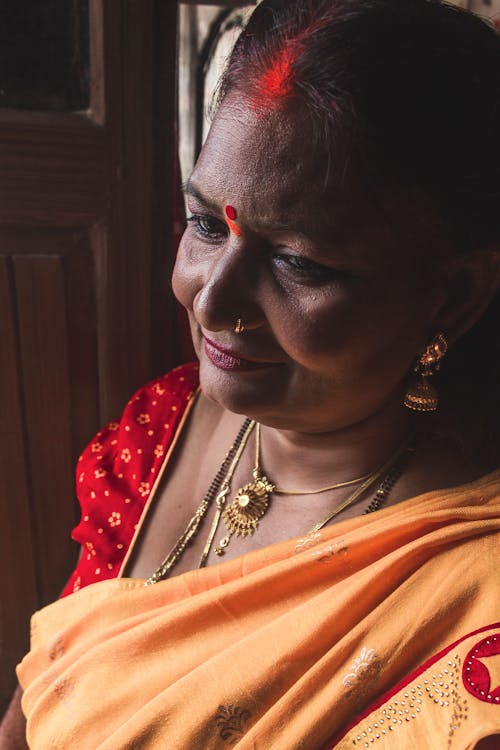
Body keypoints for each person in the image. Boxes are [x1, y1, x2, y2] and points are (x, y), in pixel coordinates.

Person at [1, 0, 499, 747]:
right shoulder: (158, 427)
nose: (212, 298)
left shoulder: (471, 588)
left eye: (298, 260)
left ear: (454, 295)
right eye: (207, 223)